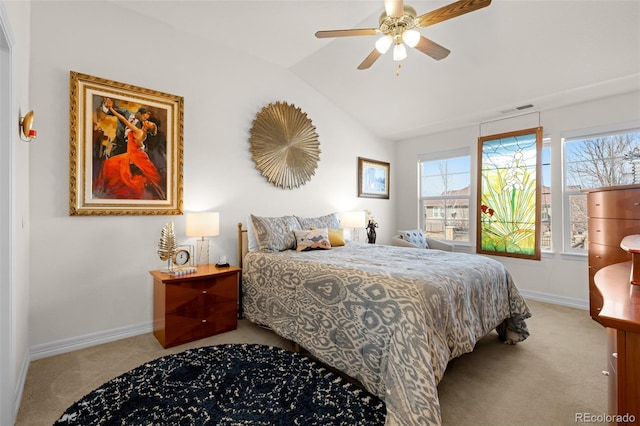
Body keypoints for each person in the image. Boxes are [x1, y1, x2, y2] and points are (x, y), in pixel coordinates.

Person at [93, 100, 164, 200]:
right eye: (144, 118)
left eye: (147, 121)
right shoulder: (127, 113)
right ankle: (107, 191)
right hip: (119, 145)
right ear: (140, 113)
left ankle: (114, 195)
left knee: (118, 172)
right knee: (113, 171)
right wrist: (108, 107)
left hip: (131, 152)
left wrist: (140, 148)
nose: (144, 120)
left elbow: (141, 142)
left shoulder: (139, 128)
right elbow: (112, 113)